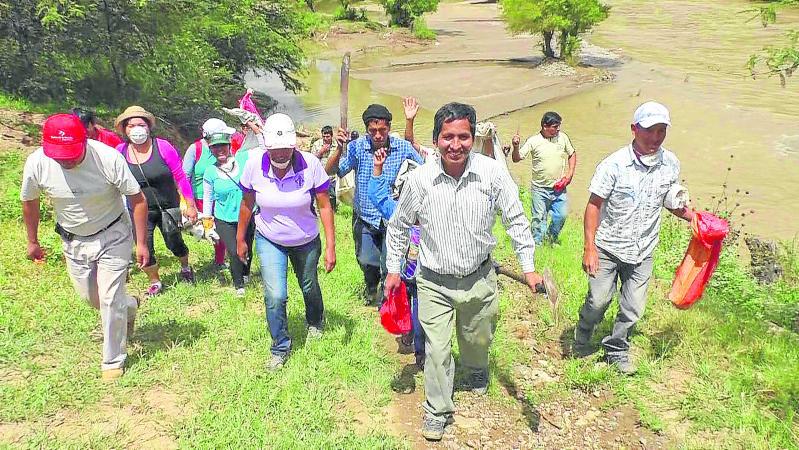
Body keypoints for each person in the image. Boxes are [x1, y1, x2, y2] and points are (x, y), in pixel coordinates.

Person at [384, 102, 544, 441]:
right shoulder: (419, 180)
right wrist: (394, 269)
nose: (455, 145)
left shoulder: (492, 173)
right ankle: (437, 410)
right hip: (433, 281)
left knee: (477, 337)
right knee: (438, 350)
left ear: (473, 138)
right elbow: (399, 228)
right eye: (447, 137)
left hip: (480, 276)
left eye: (463, 137)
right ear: (436, 139)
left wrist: (529, 269)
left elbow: (516, 220)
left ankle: (475, 370)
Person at [21, 114, 149, 381]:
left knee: (109, 298)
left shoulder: (108, 158)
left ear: (86, 140)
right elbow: (30, 202)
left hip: (113, 234)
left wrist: (141, 243)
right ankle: (130, 306)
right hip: (73, 240)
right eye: (59, 155)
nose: (65, 160)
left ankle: (113, 360)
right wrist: (32, 240)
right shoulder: (37, 163)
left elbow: (137, 199)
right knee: (91, 297)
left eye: (71, 153)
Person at [575, 101, 694, 375]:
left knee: (633, 309)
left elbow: (669, 201)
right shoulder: (614, 165)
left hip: (643, 250)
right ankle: (583, 333)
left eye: (661, 131)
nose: (655, 138)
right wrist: (589, 248)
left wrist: (695, 218)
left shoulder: (670, 164)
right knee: (598, 301)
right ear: (634, 129)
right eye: (649, 130)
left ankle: (616, 350)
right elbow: (593, 205)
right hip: (608, 247)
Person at [237, 113, 336, 371]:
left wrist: (331, 246)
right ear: (266, 146)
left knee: (308, 285)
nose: (280, 155)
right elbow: (247, 203)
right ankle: (280, 346)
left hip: (305, 239)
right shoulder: (253, 165)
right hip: (270, 238)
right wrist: (240, 238)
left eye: (285, 149)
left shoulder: (311, 164)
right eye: (274, 150)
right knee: (276, 294)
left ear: (293, 145)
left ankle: (315, 321)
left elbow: (325, 206)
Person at [325, 104, 424, 306]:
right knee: (366, 261)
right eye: (373, 131)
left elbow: (424, 170)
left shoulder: (402, 147)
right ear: (366, 130)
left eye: (382, 130)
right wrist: (339, 148)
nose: (378, 135)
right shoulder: (357, 148)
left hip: (394, 218)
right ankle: (371, 288)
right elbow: (332, 171)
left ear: (388, 127)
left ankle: (387, 301)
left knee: (391, 263)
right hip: (365, 216)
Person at [114, 106, 198, 296]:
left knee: (174, 241)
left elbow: (180, 176)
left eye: (141, 125)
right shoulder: (120, 152)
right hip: (138, 210)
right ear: (125, 130)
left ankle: (185, 266)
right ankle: (154, 280)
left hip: (168, 206)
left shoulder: (163, 147)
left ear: (148, 127)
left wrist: (190, 204)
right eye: (131, 125)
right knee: (145, 246)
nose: (136, 129)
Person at [367, 148, 425, 368]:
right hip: (401, 274)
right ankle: (408, 335)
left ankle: (420, 352)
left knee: (421, 317)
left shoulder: (434, 216)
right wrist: (378, 168)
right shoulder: (397, 211)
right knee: (405, 310)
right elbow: (377, 196)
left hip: (426, 278)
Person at [511, 111, 577, 246]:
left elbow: (572, 154)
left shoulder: (563, 137)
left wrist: (569, 175)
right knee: (539, 219)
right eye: (555, 126)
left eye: (559, 126)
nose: (558, 129)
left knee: (561, 216)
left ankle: (550, 239)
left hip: (559, 187)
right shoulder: (533, 141)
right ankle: (538, 246)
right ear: (545, 126)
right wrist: (516, 146)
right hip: (539, 189)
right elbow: (516, 159)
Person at [202, 131, 255, 298]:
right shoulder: (210, 172)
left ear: (229, 146)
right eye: (215, 147)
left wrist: (252, 123)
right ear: (210, 150)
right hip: (224, 218)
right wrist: (207, 225)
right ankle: (238, 284)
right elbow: (208, 198)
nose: (219, 150)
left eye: (222, 146)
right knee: (233, 250)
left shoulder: (243, 159)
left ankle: (245, 273)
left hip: (246, 216)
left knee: (247, 246)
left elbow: (262, 143)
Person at [184, 118, 238, 270]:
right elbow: (184, 176)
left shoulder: (226, 148)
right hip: (201, 197)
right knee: (211, 229)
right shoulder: (195, 149)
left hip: (222, 195)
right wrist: (188, 203)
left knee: (223, 229)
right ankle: (220, 259)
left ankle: (221, 259)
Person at [311, 125, 338, 211]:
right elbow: (311, 160)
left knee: (332, 196)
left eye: (328, 136)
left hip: (332, 176)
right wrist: (321, 151)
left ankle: (332, 212)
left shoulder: (336, 145)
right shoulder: (317, 144)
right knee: (319, 196)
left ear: (331, 136)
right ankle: (318, 213)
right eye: (324, 136)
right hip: (319, 176)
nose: (326, 139)